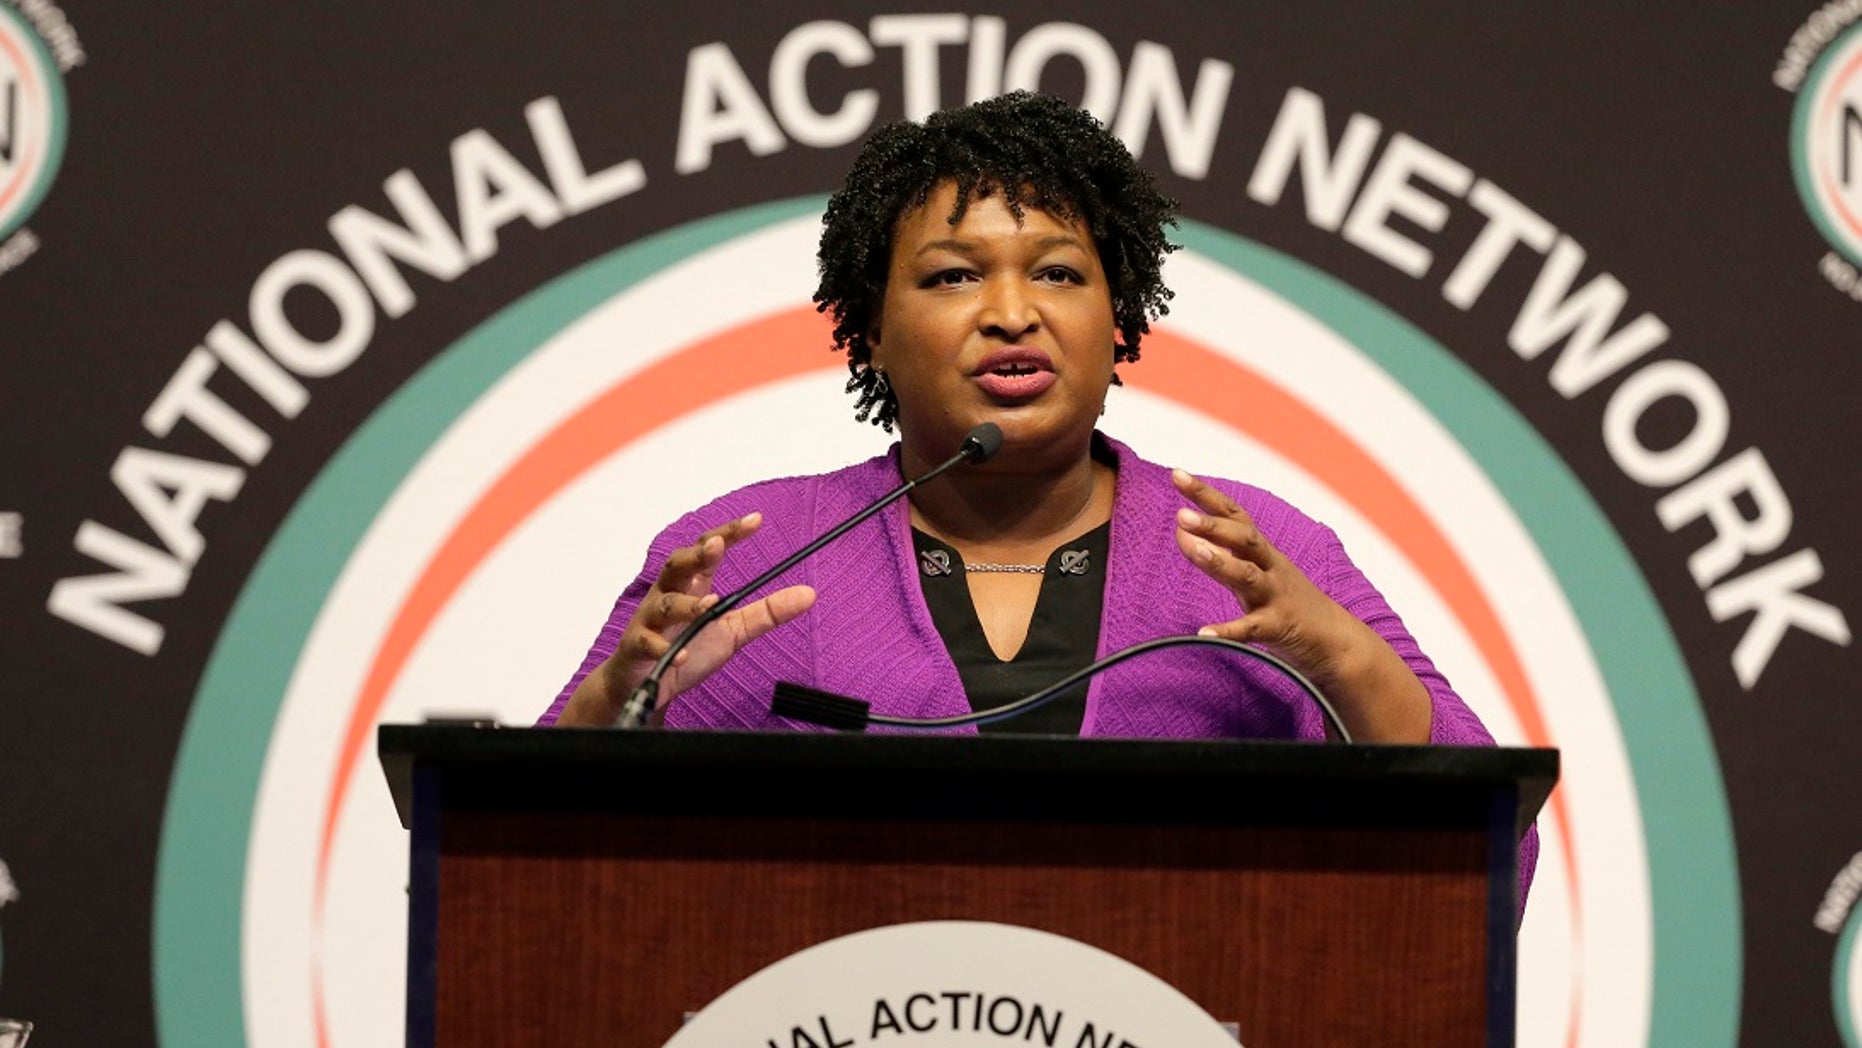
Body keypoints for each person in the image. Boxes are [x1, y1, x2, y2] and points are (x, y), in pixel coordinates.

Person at [540, 91, 1506, 757]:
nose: (1011, 311)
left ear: (1118, 320)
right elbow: (507, 839)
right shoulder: (754, 556)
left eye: (1057, 273)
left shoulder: (1245, 550)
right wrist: (615, 705)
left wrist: (1337, 654)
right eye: (954, 275)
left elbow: (1480, 821)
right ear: (872, 328)